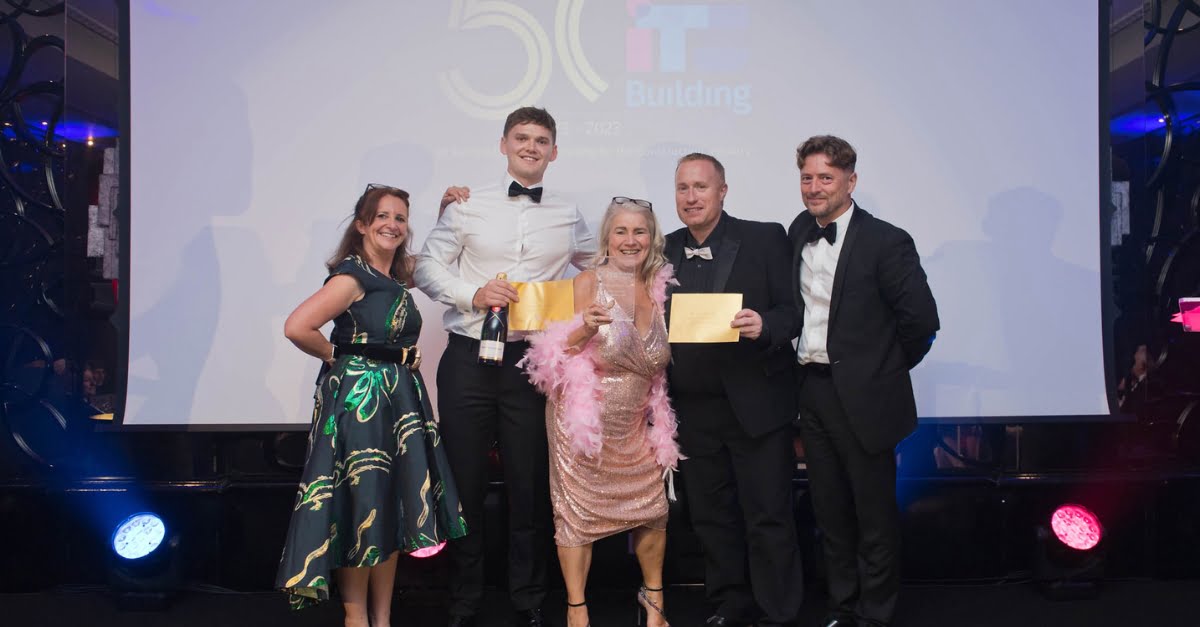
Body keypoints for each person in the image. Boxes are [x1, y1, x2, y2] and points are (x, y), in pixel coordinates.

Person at [414, 106, 596, 627]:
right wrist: (471, 293)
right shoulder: (468, 205)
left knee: (529, 485)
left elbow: (599, 263)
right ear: (503, 144)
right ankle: (465, 598)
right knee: (465, 483)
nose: (531, 147)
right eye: (522, 138)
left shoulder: (567, 211)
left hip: (531, 363)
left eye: (542, 140)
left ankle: (528, 597)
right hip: (468, 358)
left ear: (554, 152)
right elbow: (426, 265)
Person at [276, 184, 468, 627]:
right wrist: (335, 357)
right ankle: (355, 616)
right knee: (363, 504)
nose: (392, 224)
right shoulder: (351, 277)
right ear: (362, 224)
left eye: (400, 218)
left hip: (399, 402)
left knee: (393, 506)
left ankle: (381, 619)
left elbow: (437, 261)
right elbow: (296, 326)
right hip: (361, 406)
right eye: (382, 216)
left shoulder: (393, 275)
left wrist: (445, 216)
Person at [788, 135, 939, 627]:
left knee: (873, 516)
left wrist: (880, 372)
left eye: (825, 178)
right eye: (808, 177)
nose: (814, 187)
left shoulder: (886, 240)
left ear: (851, 182)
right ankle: (841, 608)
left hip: (866, 398)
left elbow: (921, 322)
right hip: (811, 391)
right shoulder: (796, 232)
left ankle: (875, 615)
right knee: (829, 512)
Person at [520, 197, 682, 627]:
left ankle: (654, 603)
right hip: (584, 420)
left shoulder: (662, 288)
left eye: (640, 232)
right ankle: (577, 608)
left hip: (636, 423)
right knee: (576, 515)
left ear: (653, 238)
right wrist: (587, 327)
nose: (631, 240)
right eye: (621, 231)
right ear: (607, 238)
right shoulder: (588, 282)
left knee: (653, 509)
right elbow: (554, 355)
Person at [665, 153, 804, 627]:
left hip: (758, 405)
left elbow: (795, 311)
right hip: (692, 408)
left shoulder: (766, 237)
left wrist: (765, 324)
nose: (691, 197)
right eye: (683, 188)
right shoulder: (660, 249)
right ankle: (728, 605)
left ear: (723, 190)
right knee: (709, 517)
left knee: (768, 515)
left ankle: (778, 612)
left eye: (701, 187)